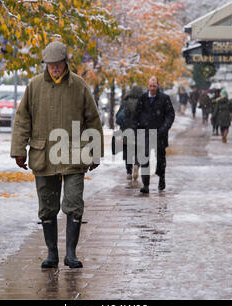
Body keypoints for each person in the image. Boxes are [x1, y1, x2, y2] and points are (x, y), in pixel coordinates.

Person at [10, 41, 103, 269]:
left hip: (74, 155)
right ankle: (52, 253)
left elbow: (92, 119)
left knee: (73, 203)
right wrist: (19, 150)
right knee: (47, 206)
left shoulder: (79, 86)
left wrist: (94, 152)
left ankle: (71, 254)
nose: (54, 69)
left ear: (65, 63)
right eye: (50, 65)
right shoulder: (34, 86)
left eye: (57, 64)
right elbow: (23, 119)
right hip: (44, 156)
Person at [133, 76, 175, 194]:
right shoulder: (142, 98)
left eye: (154, 86)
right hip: (145, 133)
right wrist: (136, 129)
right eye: (150, 86)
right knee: (144, 158)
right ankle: (145, 184)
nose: (152, 88)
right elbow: (136, 115)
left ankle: (161, 177)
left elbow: (170, 114)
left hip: (160, 133)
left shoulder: (164, 98)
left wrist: (165, 127)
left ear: (158, 86)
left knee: (160, 159)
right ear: (147, 86)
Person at [115, 85, 143, 183]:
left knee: (127, 152)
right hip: (138, 131)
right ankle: (136, 165)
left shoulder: (125, 102)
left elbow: (117, 117)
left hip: (126, 131)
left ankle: (128, 172)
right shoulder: (143, 102)